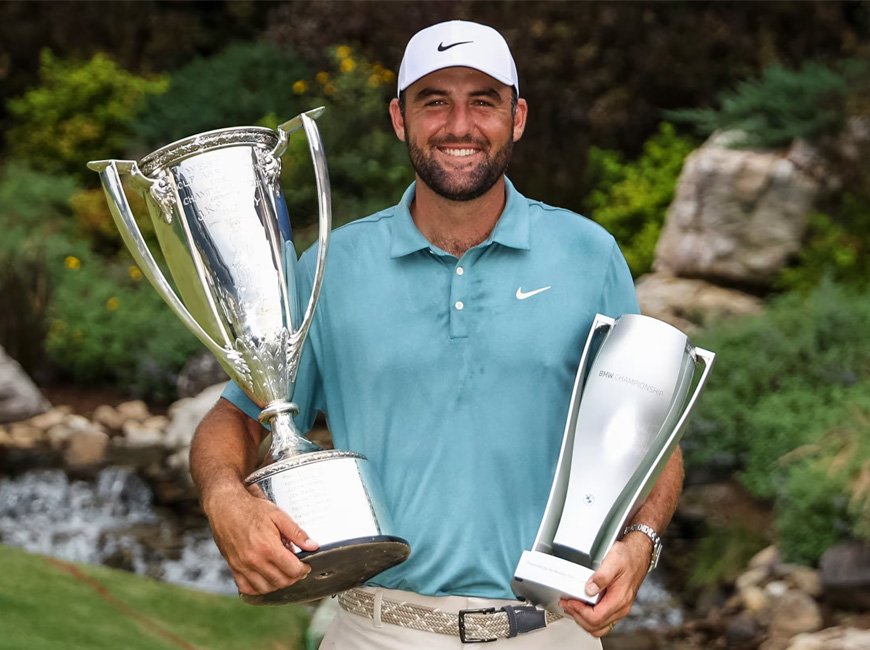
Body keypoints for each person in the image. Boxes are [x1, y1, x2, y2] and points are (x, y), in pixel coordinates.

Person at [190, 19, 684, 649]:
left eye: (483, 101)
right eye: (434, 101)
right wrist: (225, 499)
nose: (459, 125)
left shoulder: (589, 255)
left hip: (551, 632)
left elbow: (651, 435)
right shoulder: (329, 269)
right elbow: (237, 416)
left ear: (518, 117)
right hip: (376, 631)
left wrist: (642, 542)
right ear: (400, 118)